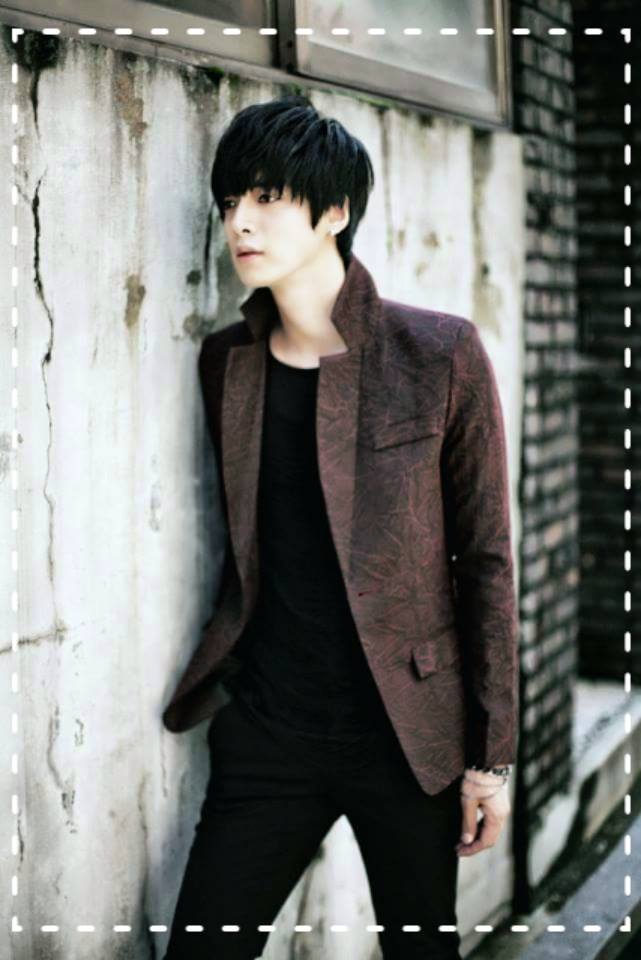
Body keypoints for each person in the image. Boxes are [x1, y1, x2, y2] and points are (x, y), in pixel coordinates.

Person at [161, 94, 519, 960]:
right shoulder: (226, 363)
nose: (239, 222)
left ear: (334, 211)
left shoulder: (438, 354)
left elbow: (485, 561)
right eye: (228, 201)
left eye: (265, 197)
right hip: (270, 731)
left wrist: (490, 757)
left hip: (406, 735)